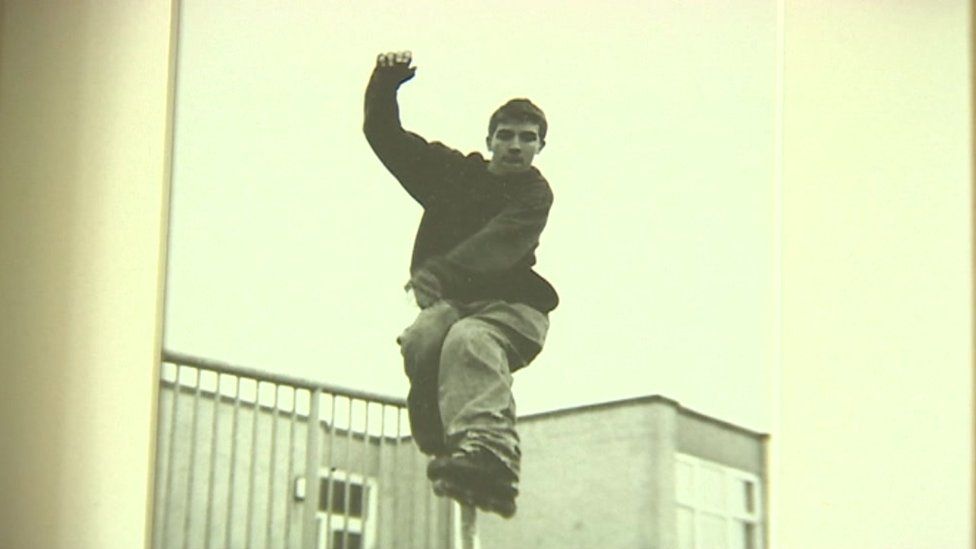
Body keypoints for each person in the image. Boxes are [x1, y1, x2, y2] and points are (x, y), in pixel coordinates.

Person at [363, 51, 558, 518]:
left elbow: (501, 241)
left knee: (470, 341)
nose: (515, 147)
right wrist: (385, 83)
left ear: (540, 147)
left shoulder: (534, 193)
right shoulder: (451, 173)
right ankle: (447, 443)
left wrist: (438, 273)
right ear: (489, 140)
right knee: (423, 339)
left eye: (527, 139)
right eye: (506, 137)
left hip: (513, 308)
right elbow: (385, 137)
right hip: (452, 303)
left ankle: (490, 449)